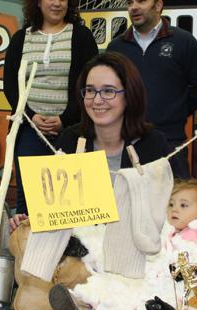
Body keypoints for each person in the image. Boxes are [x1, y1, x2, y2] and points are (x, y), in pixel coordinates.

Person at [48, 178, 197, 310]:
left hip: (193, 287)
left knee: (168, 305)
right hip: (158, 279)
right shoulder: (167, 230)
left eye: (184, 205)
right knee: (121, 289)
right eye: (171, 204)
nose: (175, 209)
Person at [9, 52, 176, 230]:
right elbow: (53, 211)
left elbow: (181, 205)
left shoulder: (154, 145)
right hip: (80, 253)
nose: (97, 100)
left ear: (129, 95)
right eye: (90, 90)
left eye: (108, 91)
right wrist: (29, 221)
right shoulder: (69, 141)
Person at [4, 0, 98, 216]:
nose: (57, 3)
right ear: (37, 3)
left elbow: (89, 82)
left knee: (73, 200)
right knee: (28, 201)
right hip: (29, 130)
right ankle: (27, 248)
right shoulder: (21, 39)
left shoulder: (82, 37)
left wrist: (65, 119)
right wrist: (31, 116)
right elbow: (10, 85)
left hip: (72, 129)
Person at [106, 0, 197, 178]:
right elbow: (108, 90)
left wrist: (177, 109)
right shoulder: (116, 47)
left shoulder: (183, 41)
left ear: (159, 5)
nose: (134, 7)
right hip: (126, 142)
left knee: (175, 201)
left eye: (141, 1)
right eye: (130, 2)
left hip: (171, 140)